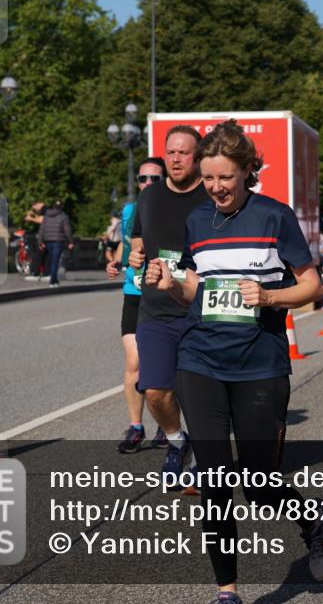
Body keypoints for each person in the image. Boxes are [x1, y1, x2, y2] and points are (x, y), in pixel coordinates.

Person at [145, 120, 323, 603]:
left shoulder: (275, 216)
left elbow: (311, 285)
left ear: (248, 169)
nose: (215, 188)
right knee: (213, 483)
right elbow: (197, 288)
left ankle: (312, 527)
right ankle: (226, 591)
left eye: (224, 178)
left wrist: (270, 296)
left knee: (259, 484)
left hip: (259, 364)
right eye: (207, 179)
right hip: (200, 359)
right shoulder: (197, 220)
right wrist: (172, 283)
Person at [127, 125, 208, 487]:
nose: (176, 159)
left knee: (199, 397)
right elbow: (139, 238)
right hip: (157, 310)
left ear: (198, 156)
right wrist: (134, 251)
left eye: (184, 152)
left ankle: (205, 461)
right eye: (170, 152)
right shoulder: (150, 197)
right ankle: (178, 441)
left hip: (200, 311)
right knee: (156, 392)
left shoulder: (211, 196)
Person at [107, 158, 169, 454]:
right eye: (143, 179)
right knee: (134, 362)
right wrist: (115, 262)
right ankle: (136, 427)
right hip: (134, 292)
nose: (146, 184)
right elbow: (128, 245)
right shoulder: (131, 210)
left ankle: (166, 424)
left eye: (153, 179)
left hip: (163, 292)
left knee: (165, 363)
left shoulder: (173, 207)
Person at [37, 200, 73, 288]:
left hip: (48, 241)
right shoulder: (64, 217)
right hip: (58, 241)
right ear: (61, 207)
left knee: (53, 260)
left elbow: (42, 229)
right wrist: (71, 241)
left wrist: (40, 241)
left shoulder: (46, 216)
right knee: (55, 261)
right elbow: (67, 231)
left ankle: (55, 280)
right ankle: (52, 281)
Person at [23, 201, 46, 281]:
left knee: (38, 254)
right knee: (43, 255)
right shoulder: (46, 209)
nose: (36, 210)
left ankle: (35, 273)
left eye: (35, 208)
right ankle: (45, 272)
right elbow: (41, 218)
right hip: (48, 235)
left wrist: (30, 218)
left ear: (37, 204)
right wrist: (34, 215)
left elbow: (42, 221)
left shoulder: (45, 209)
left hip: (45, 235)